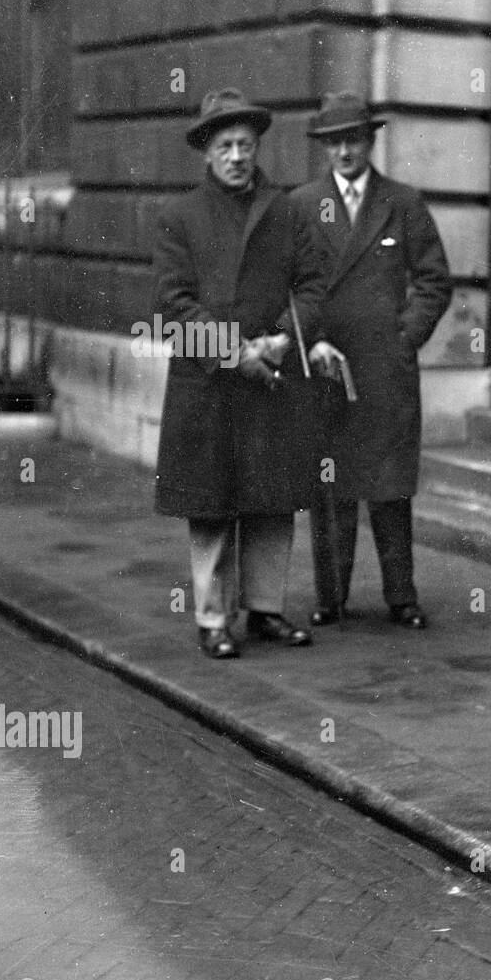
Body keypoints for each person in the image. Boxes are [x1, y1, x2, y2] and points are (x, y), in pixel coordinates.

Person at [153, 87, 329, 660]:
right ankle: (211, 618)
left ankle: (265, 610)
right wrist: (234, 352)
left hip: (272, 380)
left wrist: (280, 339)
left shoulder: (288, 210)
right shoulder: (180, 217)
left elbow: (313, 284)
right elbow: (173, 303)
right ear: (206, 153)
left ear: (257, 149)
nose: (236, 156)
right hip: (207, 385)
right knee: (211, 504)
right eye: (225, 145)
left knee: (270, 500)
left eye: (245, 145)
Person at [292, 92, 453, 630]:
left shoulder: (402, 202)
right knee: (330, 484)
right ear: (324, 148)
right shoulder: (301, 205)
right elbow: (287, 286)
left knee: (390, 485)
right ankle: (330, 597)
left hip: (386, 368)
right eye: (334, 142)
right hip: (327, 365)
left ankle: (401, 596)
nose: (344, 151)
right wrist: (309, 342)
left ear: (370, 141)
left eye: (353, 140)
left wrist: (405, 337)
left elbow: (433, 279)